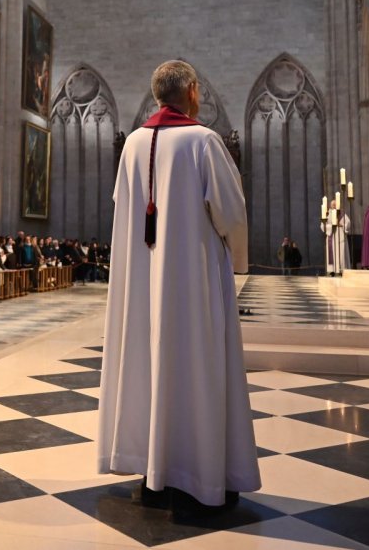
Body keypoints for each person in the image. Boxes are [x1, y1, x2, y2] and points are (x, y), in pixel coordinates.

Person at [98, 60, 259, 515]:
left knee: (147, 366)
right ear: (190, 91)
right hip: (193, 283)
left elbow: (123, 206)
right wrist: (239, 259)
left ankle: (154, 474)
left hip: (142, 285)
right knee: (197, 368)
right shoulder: (204, 141)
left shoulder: (131, 145)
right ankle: (204, 475)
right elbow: (231, 213)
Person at [321, 196, 350, 276]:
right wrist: (331, 226)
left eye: (335, 204)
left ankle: (341, 270)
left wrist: (340, 224)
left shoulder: (342, 213)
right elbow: (322, 226)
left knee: (341, 254)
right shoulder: (327, 214)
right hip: (332, 237)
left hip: (340, 237)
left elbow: (348, 223)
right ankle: (332, 271)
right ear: (330, 206)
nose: (334, 206)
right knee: (332, 253)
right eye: (332, 205)